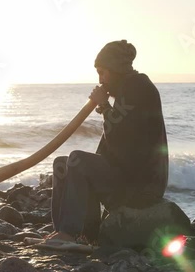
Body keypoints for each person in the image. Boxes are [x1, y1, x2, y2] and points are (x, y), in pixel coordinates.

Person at [46, 40, 169, 246]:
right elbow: (112, 146)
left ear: (116, 69)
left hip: (141, 186)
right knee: (62, 163)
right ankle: (74, 233)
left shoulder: (139, 88)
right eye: (98, 73)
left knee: (77, 159)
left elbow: (123, 136)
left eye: (103, 72)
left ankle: (70, 232)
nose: (100, 79)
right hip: (124, 175)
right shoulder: (124, 91)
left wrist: (104, 105)